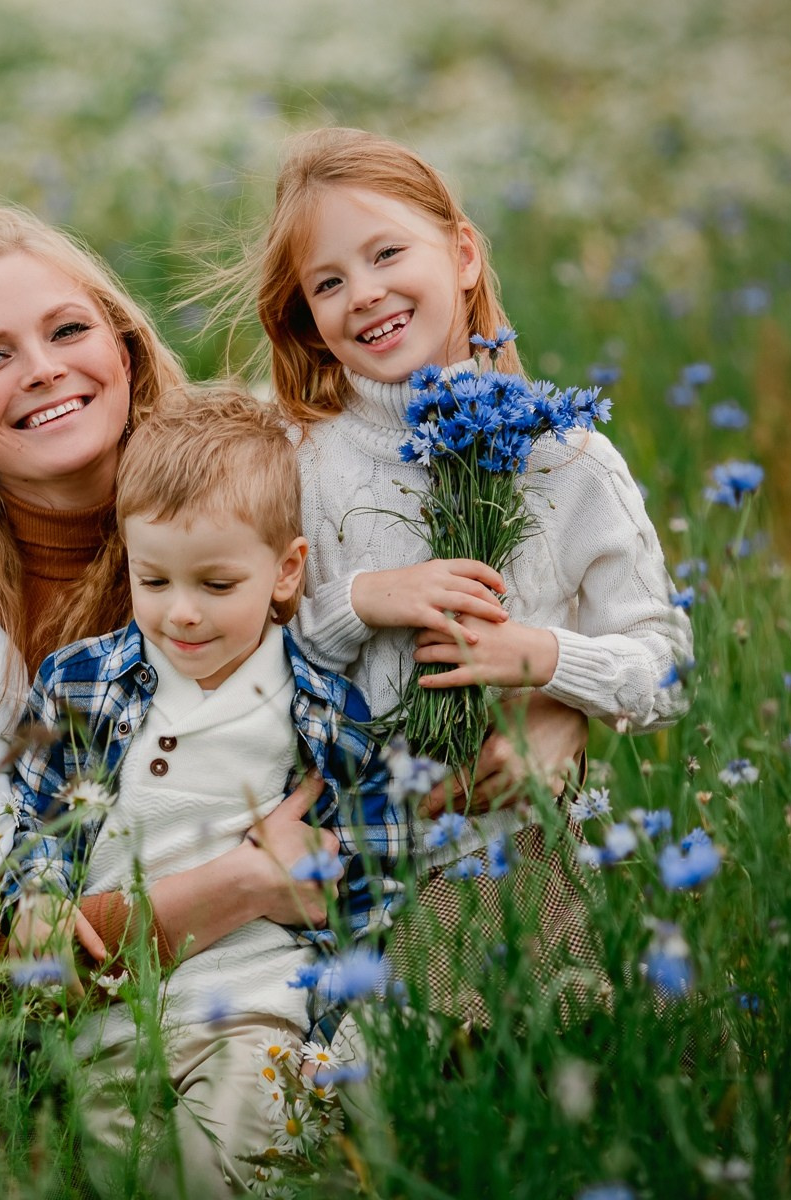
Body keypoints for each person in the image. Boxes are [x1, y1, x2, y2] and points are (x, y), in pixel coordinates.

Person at [0, 202, 587, 970]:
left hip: (350, 931)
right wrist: (243, 884)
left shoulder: (255, 478)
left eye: (68, 330)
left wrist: (562, 708)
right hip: (117, 1021)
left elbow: (481, 605)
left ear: (126, 351)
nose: (42, 368)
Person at [227, 126, 694, 1019]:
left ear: (465, 253)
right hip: (352, 857)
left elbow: (664, 667)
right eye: (328, 283)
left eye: (387, 253)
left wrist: (547, 664)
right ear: (307, 317)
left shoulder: (567, 460)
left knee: (559, 1042)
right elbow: (247, 660)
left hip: (524, 841)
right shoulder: (301, 462)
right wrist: (359, 601)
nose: (364, 294)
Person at [2, 386, 402, 1196]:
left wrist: (358, 1031)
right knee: (125, 1173)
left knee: (222, 1167)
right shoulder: (81, 684)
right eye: (154, 581)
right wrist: (39, 895)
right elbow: (40, 830)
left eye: (217, 585)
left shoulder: (321, 710)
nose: (181, 615)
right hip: (111, 1023)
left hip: (257, 1013)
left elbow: (371, 878)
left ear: (286, 571)